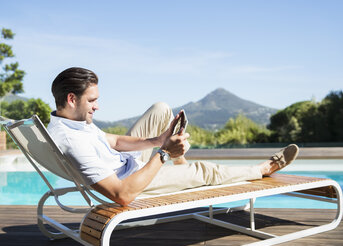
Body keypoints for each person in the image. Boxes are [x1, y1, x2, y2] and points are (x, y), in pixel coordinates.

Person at [47, 67, 299, 206]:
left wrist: (158, 140)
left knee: (161, 108)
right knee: (205, 171)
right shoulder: (72, 141)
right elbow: (122, 195)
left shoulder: (72, 122)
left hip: (129, 162)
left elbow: (112, 141)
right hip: (134, 180)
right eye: (92, 101)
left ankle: (181, 171)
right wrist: (164, 153)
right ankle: (264, 167)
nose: (97, 106)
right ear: (71, 99)